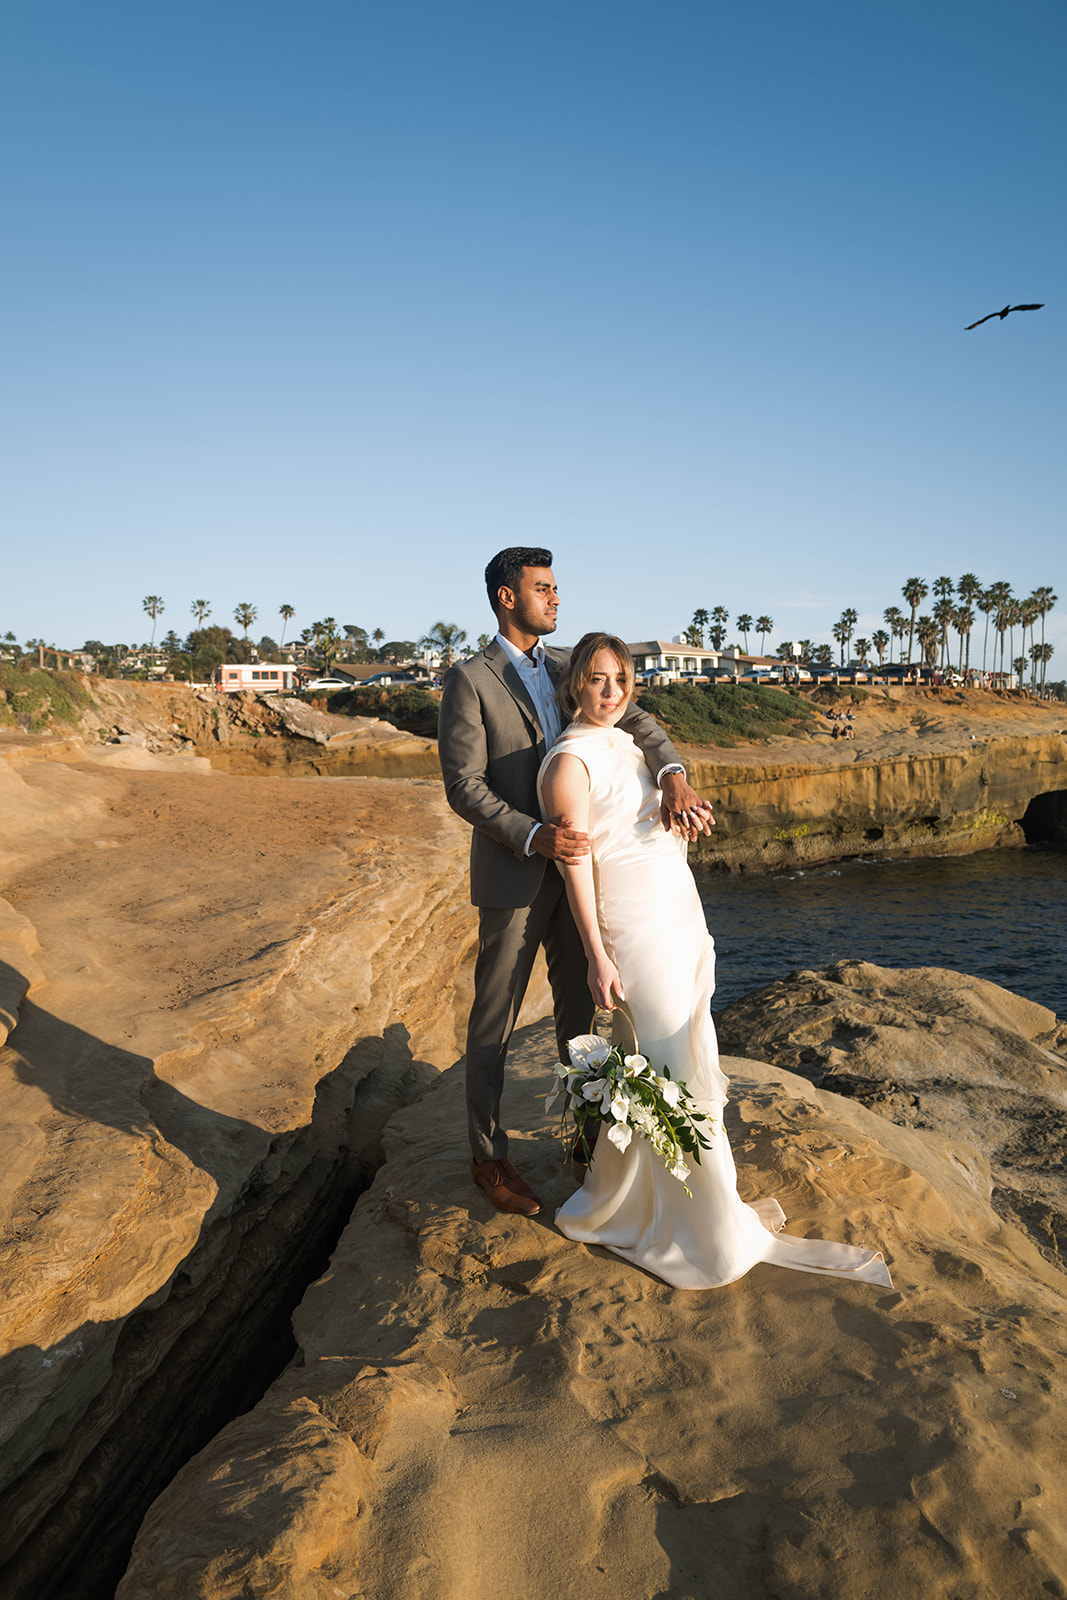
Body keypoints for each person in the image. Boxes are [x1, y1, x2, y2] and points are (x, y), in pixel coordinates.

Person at [538, 632, 891, 1290]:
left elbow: (637, 816)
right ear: (573, 687)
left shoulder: (627, 742)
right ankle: (698, 1228)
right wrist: (594, 953)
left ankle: (676, 1199)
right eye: (596, 679)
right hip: (632, 927)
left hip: (673, 911)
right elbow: (574, 863)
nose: (610, 691)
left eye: (619, 679)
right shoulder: (568, 762)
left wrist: (673, 807)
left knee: (685, 1055)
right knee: (672, 1067)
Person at [438, 549, 713, 1219]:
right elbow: (463, 786)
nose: (554, 600)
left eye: (556, 589)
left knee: (579, 1019)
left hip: (586, 877)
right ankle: (487, 1156)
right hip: (516, 874)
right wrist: (534, 836)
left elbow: (638, 719)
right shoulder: (468, 680)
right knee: (493, 1020)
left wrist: (672, 771)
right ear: (506, 598)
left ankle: (589, 1144)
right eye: (541, 589)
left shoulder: (570, 665)